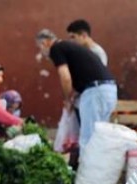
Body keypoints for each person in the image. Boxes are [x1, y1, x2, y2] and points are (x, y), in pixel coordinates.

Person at [35, 29, 117, 165]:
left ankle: (88, 180)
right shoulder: (71, 48)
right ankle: (97, 173)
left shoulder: (56, 48)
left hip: (95, 92)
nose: (42, 52)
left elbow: (65, 77)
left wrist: (68, 99)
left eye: (40, 47)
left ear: (46, 42)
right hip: (108, 90)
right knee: (99, 137)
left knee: (88, 138)